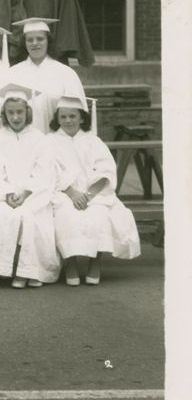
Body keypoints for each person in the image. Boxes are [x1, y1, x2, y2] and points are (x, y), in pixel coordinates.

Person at [47, 95, 140, 286]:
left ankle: (94, 263)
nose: (68, 121)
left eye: (72, 116)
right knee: (65, 215)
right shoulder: (50, 142)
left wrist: (88, 195)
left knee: (99, 214)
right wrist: (72, 193)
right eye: (63, 117)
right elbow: (49, 172)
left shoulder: (93, 141)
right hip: (63, 192)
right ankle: (70, 262)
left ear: (82, 117)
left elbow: (106, 171)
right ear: (57, 119)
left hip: (94, 193)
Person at [0, 82, 58, 288]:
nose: (15, 117)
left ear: (28, 112)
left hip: (34, 194)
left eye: (19, 112)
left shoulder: (40, 139)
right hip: (5, 195)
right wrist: (7, 194)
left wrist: (25, 194)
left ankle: (28, 271)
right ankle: (9, 269)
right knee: (5, 216)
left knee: (30, 216)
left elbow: (43, 172)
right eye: (10, 112)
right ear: (4, 114)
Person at [11, 18, 85, 133]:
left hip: (58, 142)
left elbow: (79, 112)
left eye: (40, 39)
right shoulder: (13, 73)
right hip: (24, 142)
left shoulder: (66, 74)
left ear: (48, 41)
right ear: (24, 43)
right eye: (30, 40)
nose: (35, 43)